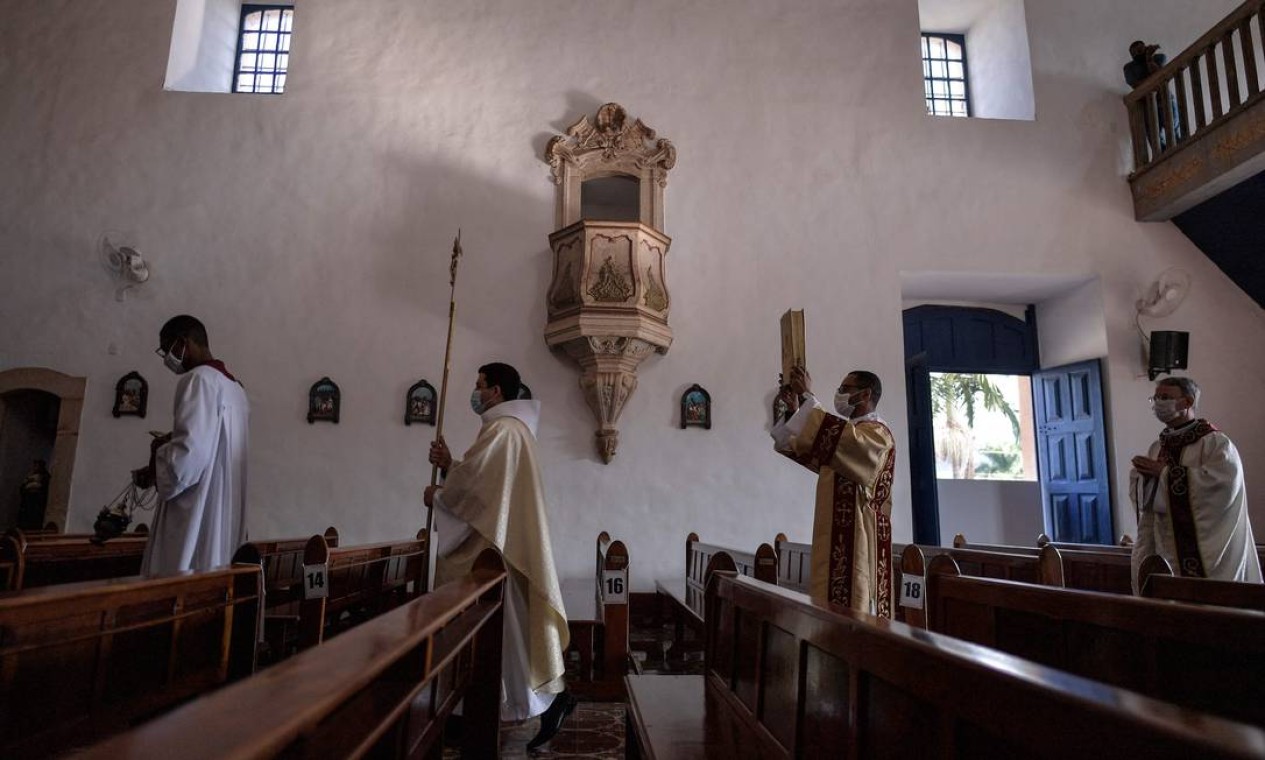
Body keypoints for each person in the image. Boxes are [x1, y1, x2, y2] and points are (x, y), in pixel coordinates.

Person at [424, 362, 573, 749]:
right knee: (510, 632)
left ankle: (540, 701)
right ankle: (524, 703)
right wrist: (449, 466)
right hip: (504, 544)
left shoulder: (502, 430)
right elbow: (482, 483)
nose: (475, 393)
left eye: (479, 385)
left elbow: (476, 491)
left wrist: (439, 494)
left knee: (505, 631)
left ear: (497, 391)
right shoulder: (510, 429)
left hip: (498, 551)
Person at [771, 366, 897, 617]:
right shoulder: (846, 435)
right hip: (836, 532)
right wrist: (795, 409)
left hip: (860, 532)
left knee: (855, 603)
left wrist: (807, 396)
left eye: (845, 389)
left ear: (865, 394)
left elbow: (840, 438)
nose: (838, 394)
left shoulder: (878, 434)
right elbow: (798, 447)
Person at [133, 315, 249, 575]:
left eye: (167, 349)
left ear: (183, 342)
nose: (167, 359)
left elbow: (187, 460)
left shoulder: (198, 380)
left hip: (196, 511)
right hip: (224, 509)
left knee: (182, 576)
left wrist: (159, 451)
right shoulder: (236, 389)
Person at [1129, 377, 1261, 591]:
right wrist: (1141, 477)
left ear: (1188, 402)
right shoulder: (1157, 447)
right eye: (1155, 398)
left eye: (1165, 397)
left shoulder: (1216, 444)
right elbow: (1149, 505)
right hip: (1167, 547)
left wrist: (1165, 474)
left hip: (1209, 551)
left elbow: (1223, 488)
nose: (1158, 403)